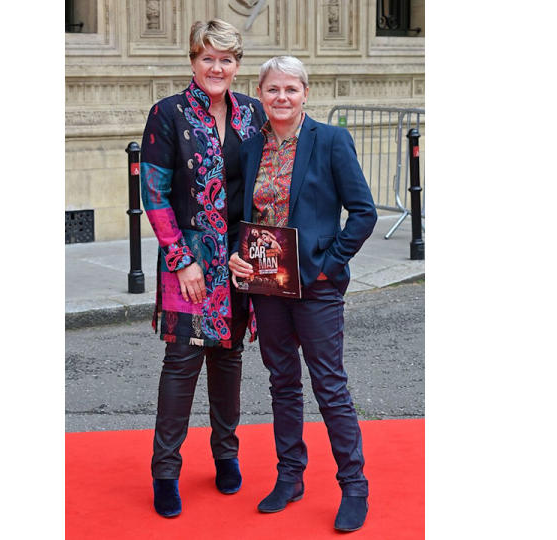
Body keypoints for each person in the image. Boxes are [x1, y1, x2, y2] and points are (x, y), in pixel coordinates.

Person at [229, 55, 378, 532]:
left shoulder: (330, 140)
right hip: (267, 284)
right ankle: (290, 476)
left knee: (329, 386)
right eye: (273, 89)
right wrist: (238, 254)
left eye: (291, 89)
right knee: (282, 383)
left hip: (315, 288)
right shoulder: (251, 148)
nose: (282, 98)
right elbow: (245, 215)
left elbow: (363, 213)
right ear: (261, 93)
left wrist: (326, 269)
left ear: (305, 94)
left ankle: (353, 485)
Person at [139, 19, 266, 519]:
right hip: (187, 263)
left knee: (229, 360)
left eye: (227, 59)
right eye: (208, 57)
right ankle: (165, 471)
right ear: (193, 60)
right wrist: (182, 259)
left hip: (237, 260)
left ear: (238, 65)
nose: (217, 67)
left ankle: (226, 454)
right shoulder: (167, 114)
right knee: (181, 365)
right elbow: (153, 193)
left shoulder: (251, 112)